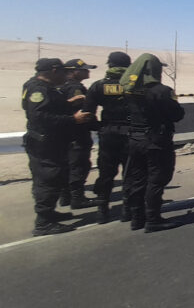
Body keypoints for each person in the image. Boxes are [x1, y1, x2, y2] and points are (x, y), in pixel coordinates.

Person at [22, 58, 94, 235]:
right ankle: (43, 223)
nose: (65, 75)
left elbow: (48, 109)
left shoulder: (42, 88)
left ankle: (49, 214)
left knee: (53, 179)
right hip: (44, 143)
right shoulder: (38, 90)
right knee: (48, 180)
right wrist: (73, 120)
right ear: (53, 71)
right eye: (63, 72)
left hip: (49, 142)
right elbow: (40, 117)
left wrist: (69, 103)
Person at [120, 53, 184, 232]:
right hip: (156, 140)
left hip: (135, 139)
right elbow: (177, 114)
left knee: (138, 179)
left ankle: (137, 217)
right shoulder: (162, 91)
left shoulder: (129, 90)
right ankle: (153, 218)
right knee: (156, 179)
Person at [83, 51, 132, 224]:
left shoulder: (98, 86)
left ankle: (102, 210)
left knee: (106, 173)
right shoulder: (133, 85)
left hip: (108, 135)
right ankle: (128, 210)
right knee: (130, 173)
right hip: (130, 134)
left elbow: (87, 113)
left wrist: (99, 127)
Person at [60, 58, 101, 209]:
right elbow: (83, 112)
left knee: (68, 164)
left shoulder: (62, 86)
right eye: (84, 69)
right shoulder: (75, 88)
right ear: (72, 71)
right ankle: (77, 198)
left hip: (65, 133)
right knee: (79, 165)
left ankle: (66, 196)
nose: (87, 71)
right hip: (77, 133)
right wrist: (97, 126)